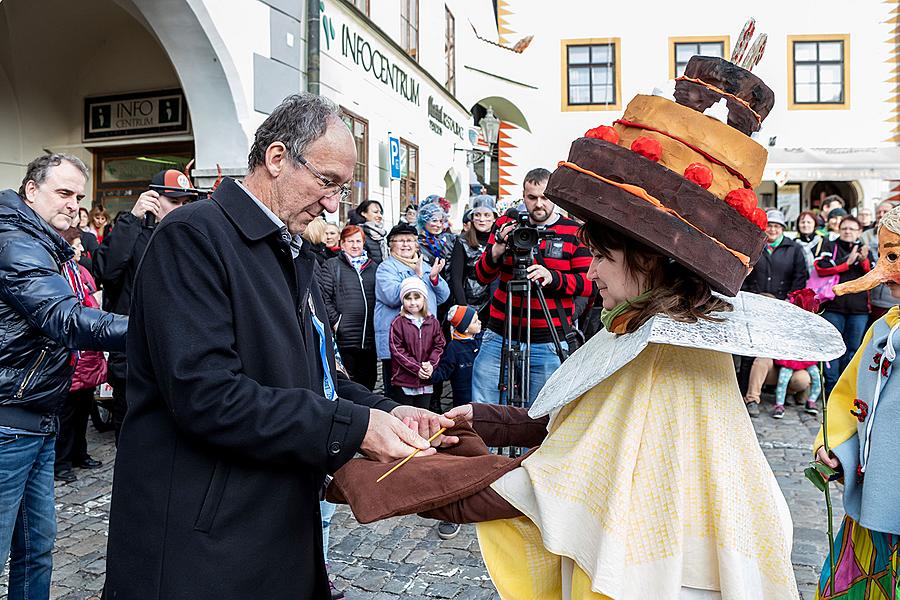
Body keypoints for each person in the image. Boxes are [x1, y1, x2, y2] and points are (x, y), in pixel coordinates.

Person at [102, 94, 453, 600]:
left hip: (273, 525)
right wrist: (354, 428)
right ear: (276, 158)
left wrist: (391, 412)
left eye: (341, 188)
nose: (333, 203)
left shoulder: (292, 249)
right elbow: (207, 396)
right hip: (203, 545)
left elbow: (320, 379)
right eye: (327, 182)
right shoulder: (193, 236)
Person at [0, 153, 127, 599]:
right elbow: (64, 318)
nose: (74, 204)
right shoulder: (16, 242)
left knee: (37, 549)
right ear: (31, 191)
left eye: (78, 195)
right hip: (8, 424)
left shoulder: (42, 240)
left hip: (37, 420)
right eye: (64, 193)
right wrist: (156, 327)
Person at [813, 205, 900, 599]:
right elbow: (849, 396)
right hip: (874, 507)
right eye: (884, 253)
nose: (884, 267)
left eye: (894, 255)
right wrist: (835, 446)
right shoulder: (883, 328)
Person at [470, 168, 594, 407]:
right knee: (486, 408)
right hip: (499, 334)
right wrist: (495, 251)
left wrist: (553, 277)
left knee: (539, 414)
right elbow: (481, 277)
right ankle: (486, 447)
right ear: (523, 196)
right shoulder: (506, 224)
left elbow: (589, 285)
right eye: (532, 197)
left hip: (548, 338)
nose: (539, 204)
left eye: (545, 197)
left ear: (554, 198)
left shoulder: (573, 232)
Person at [93, 169, 197, 443]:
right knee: (130, 434)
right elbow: (107, 270)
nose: (180, 208)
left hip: (172, 352)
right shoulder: (133, 230)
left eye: (185, 203)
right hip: (132, 354)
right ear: (153, 198)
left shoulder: (185, 235)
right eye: (174, 202)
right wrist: (132, 219)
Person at [54, 226, 108, 483]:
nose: (79, 250)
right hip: (71, 352)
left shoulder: (82, 271)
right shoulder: (58, 272)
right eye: (74, 245)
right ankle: (62, 462)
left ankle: (80, 453)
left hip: (89, 350)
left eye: (79, 246)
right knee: (67, 412)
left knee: (83, 409)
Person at [375, 222, 450, 399]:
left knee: (425, 393)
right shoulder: (386, 268)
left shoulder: (424, 265)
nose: (406, 244)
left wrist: (433, 279)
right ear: (391, 244)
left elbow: (444, 296)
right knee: (399, 397)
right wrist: (414, 276)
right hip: (399, 346)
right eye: (400, 240)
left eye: (410, 240)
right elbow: (392, 297)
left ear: (417, 244)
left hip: (425, 342)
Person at [815, 215, 875, 396]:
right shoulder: (830, 246)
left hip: (859, 311)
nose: (848, 232)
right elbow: (820, 267)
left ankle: (846, 389)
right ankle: (831, 387)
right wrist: (846, 264)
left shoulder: (866, 250)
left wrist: (863, 260)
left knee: (853, 350)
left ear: (859, 232)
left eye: (852, 229)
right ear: (839, 230)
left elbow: (873, 275)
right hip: (834, 308)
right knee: (831, 347)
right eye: (845, 228)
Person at [319, 224, 378, 390]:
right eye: (350, 241)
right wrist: (337, 322)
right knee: (348, 384)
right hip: (345, 338)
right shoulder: (332, 265)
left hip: (369, 338)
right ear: (342, 243)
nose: (354, 245)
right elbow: (324, 297)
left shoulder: (373, 267)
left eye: (358, 241)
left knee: (368, 382)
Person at [389, 277, 446, 409]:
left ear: (424, 299)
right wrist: (416, 368)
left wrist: (430, 365)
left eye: (417, 297)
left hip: (426, 380)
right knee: (407, 416)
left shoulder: (433, 322)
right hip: (404, 380)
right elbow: (397, 350)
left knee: (423, 413)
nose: (413, 302)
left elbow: (439, 345)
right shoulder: (398, 323)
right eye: (408, 298)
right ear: (403, 300)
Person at [740, 209, 808, 300]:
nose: (773, 230)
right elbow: (742, 270)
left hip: (783, 301)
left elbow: (799, 277)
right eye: (769, 226)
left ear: (782, 229)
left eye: (777, 226)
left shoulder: (794, 249)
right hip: (753, 299)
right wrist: (747, 293)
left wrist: (790, 298)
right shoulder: (753, 246)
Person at [449, 195, 497, 318]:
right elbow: (456, 278)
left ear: (494, 218)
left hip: (495, 305)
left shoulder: (500, 240)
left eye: (487, 215)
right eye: (477, 215)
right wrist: (464, 308)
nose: (482, 219)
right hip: (470, 303)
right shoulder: (462, 241)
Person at [862, 200, 900, 322]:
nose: (881, 214)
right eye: (878, 212)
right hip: (875, 298)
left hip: (894, 298)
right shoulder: (865, 235)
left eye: (885, 211)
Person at [417, 201, 456, 280]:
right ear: (423, 221)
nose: (438, 225)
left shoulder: (449, 240)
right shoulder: (417, 244)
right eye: (434, 220)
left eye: (441, 221)